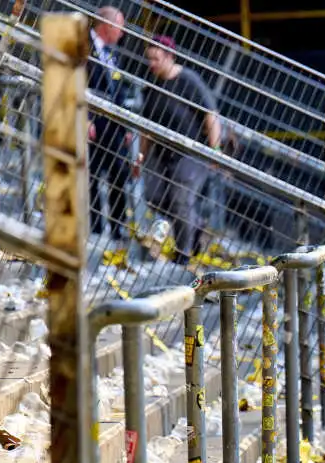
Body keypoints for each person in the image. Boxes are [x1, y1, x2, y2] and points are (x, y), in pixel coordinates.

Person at [136, 35, 219, 267]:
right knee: (154, 196)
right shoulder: (151, 84)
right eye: (149, 59)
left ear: (170, 57)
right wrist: (141, 156)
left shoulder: (188, 80)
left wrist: (215, 150)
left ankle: (183, 255)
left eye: (156, 58)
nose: (152, 64)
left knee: (181, 199)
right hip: (162, 154)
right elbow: (146, 127)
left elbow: (210, 114)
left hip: (190, 153)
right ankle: (196, 226)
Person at [88, 6, 132, 240]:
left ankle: (117, 226)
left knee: (119, 174)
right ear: (108, 26)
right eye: (120, 27)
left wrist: (125, 126)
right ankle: (94, 226)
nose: (122, 33)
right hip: (93, 124)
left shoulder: (114, 53)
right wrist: (85, 119)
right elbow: (78, 83)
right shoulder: (83, 47)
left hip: (114, 126)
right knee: (92, 175)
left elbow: (120, 91)